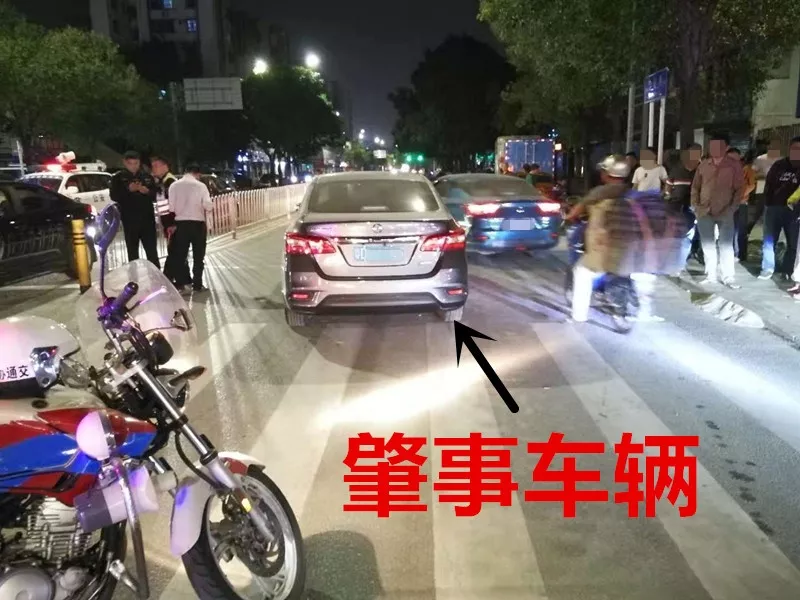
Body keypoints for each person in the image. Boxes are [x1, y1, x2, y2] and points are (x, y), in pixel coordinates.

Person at [568, 155, 679, 323]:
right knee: (643, 272)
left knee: (582, 272)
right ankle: (645, 313)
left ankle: (579, 316)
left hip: (608, 246)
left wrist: (569, 217)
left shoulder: (600, 192)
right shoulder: (633, 193)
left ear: (605, 174)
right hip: (637, 244)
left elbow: (577, 211)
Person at [690, 132, 744, 288]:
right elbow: (695, 187)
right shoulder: (703, 165)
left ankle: (728, 277)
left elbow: (739, 189)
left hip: (725, 211)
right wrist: (695, 206)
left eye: (719, 146)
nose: (715, 149)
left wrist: (732, 208)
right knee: (708, 244)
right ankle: (711, 275)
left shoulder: (734, 166)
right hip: (704, 211)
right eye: (712, 146)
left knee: (726, 245)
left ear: (726, 147)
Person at [168, 163, 213, 292]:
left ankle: (182, 284)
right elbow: (208, 205)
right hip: (197, 224)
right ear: (198, 174)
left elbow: (171, 207)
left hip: (180, 224)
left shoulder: (174, 185)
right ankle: (197, 284)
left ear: (185, 172)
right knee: (198, 256)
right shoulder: (201, 186)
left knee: (181, 255)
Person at [109, 150, 159, 267]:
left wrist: (147, 191)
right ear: (125, 163)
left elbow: (155, 195)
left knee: (152, 252)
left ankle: (156, 275)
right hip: (130, 221)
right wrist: (128, 190)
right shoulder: (118, 178)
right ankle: (134, 276)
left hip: (147, 220)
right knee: (132, 253)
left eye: (136, 163)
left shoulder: (146, 177)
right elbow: (114, 196)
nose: (133, 166)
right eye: (130, 163)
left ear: (139, 162)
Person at [760, 136, 800, 281]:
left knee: (793, 243)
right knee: (769, 240)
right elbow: (769, 185)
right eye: (795, 148)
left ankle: (788, 270)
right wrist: (768, 203)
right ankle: (767, 268)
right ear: (789, 149)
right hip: (774, 208)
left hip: (794, 211)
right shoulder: (779, 165)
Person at [666, 143, 702, 269]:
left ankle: (679, 263)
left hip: (691, 207)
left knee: (687, 236)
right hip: (675, 206)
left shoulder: (702, 169)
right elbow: (668, 185)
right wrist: (668, 196)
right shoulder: (677, 169)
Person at [150, 156, 182, 283]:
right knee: (175, 252)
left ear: (165, 166)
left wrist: (172, 224)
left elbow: (174, 204)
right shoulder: (162, 182)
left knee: (174, 252)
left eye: (156, 166)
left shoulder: (170, 182)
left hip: (172, 224)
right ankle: (179, 279)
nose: (153, 169)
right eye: (153, 166)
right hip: (168, 223)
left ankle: (168, 279)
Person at [726, 148, 757, 262]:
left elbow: (752, 185)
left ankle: (741, 254)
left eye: (735, 157)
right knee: (729, 229)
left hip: (741, 203)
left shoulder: (747, 169)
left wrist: (740, 195)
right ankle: (731, 252)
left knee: (740, 229)